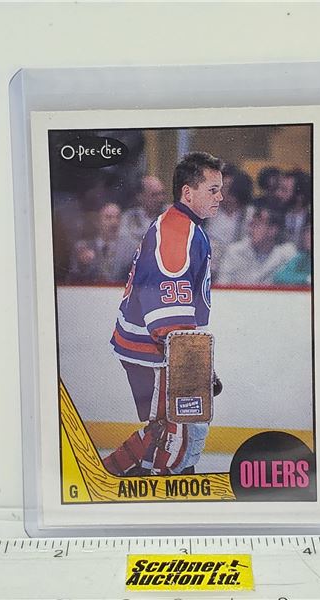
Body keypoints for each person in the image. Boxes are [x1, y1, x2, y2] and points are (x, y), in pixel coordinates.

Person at [105, 152, 224, 476]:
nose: (220, 197)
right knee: (179, 430)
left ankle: (119, 473)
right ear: (188, 193)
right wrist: (193, 367)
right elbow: (167, 314)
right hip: (154, 349)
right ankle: (139, 479)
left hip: (147, 346)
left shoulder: (180, 225)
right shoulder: (178, 232)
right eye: (213, 190)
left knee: (169, 427)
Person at [217, 207, 296, 285]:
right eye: (251, 225)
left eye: (257, 225)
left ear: (272, 230)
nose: (251, 230)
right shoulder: (234, 252)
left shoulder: (287, 255)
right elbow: (223, 284)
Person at [119, 175, 168, 245]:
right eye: (154, 195)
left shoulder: (172, 214)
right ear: (140, 197)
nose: (160, 199)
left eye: (162, 193)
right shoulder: (128, 218)